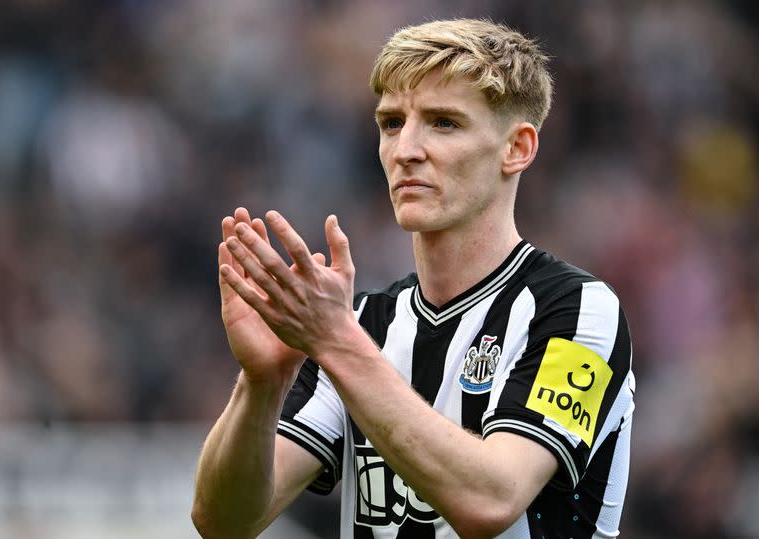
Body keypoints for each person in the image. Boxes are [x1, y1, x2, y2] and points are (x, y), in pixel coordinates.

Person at [191, 18, 635, 539]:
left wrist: (335, 340)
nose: (406, 150)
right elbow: (224, 521)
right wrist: (262, 384)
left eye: (444, 123)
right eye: (392, 123)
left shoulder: (580, 311)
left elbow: (492, 499)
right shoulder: (362, 325)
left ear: (517, 148)